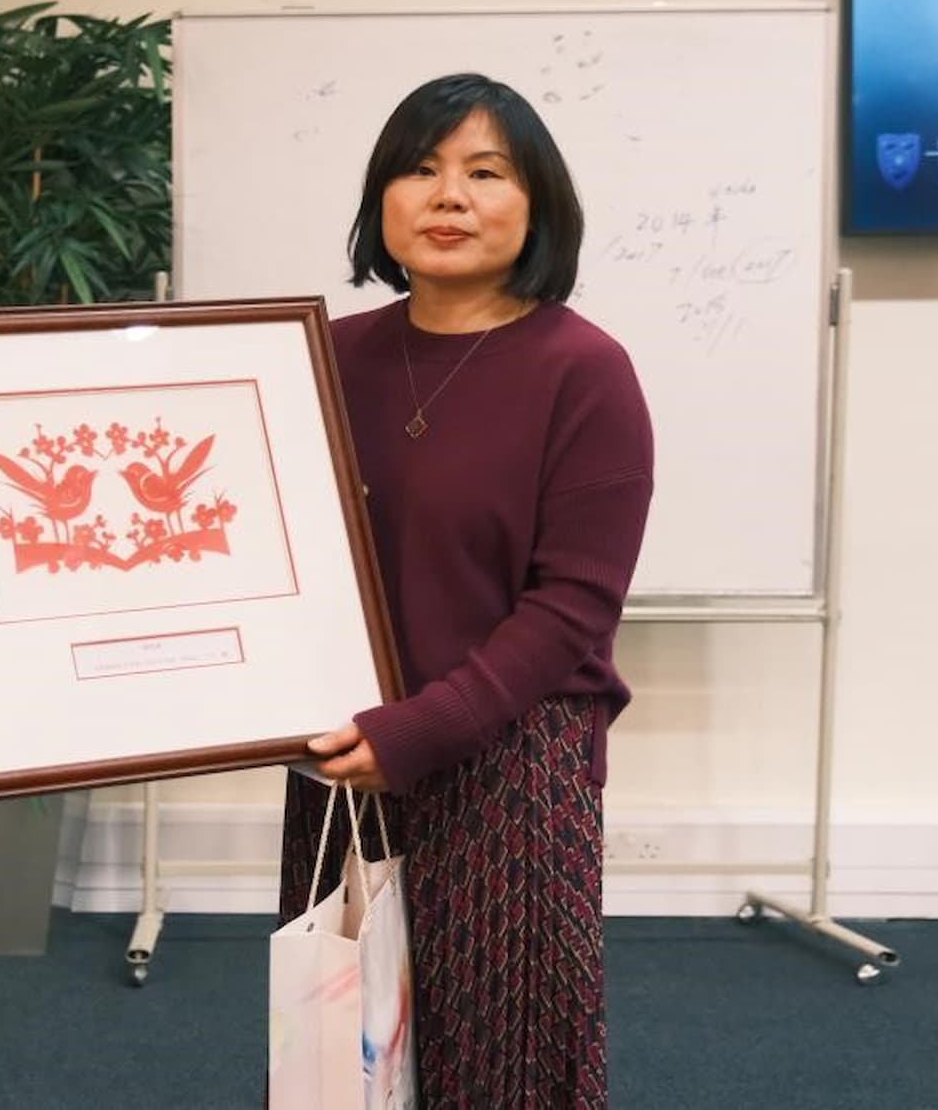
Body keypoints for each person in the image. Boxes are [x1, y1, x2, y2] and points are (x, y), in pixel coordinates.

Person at [282, 73, 654, 1107]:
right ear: (380, 202)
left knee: (502, 1063)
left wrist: (418, 728)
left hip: (510, 765)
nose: (446, 195)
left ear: (536, 202)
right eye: (419, 167)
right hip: (346, 754)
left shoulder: (584, 369)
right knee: (333, 1053)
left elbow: (571, 606)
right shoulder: (317, 356)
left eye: (483, 172)